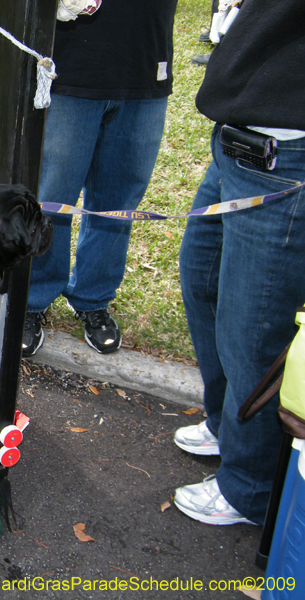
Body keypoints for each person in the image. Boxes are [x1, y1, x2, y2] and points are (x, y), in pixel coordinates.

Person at [0, 0, 178, 357]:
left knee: (119, 203)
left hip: (146, 64)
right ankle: (32, 301)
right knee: (50, 199)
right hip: (66, 69)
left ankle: (93, 298)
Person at [173, 0, 305, 526]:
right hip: (238, 141)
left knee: (252, 328)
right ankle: (229, 426)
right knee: (201, 279)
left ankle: (248, 488)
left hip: (284, 156)